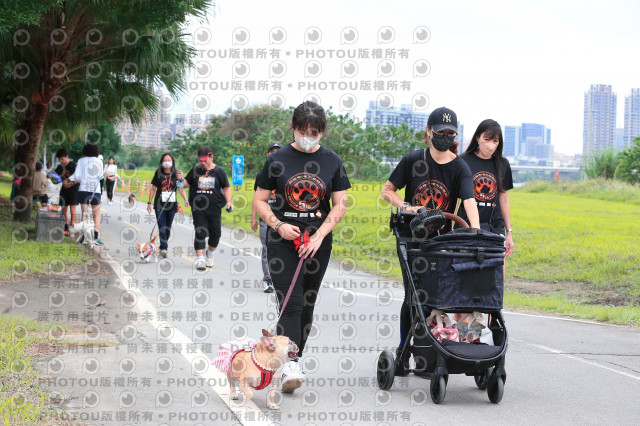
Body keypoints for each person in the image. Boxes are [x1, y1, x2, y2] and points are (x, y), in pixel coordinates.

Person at [253, 101, 351, 394]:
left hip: (317, 244)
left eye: (315, 133)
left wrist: (319, 236)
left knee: (307, 305)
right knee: (291, 302)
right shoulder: (277, 159)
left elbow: (340, 205)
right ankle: (290, 364)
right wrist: (278, 225)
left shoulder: (332, 161)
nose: (309, 137)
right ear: (293, 128)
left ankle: (294, 356)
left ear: (322, 132)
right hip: (283, 243)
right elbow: (259, 200)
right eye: (303, 131)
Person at [380, 106, 480, 375]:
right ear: (429, 131)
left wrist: (475, 232)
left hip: (441, 241)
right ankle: (403, 352)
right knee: (413, 296)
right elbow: (387, 191)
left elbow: (469, 201)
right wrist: (405, 205)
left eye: (450, 133)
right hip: (410, 238)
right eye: (440, 132)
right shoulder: (414, 160)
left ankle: (432, 351)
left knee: (438, 296)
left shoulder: (460, 167)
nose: (445, 137)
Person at [457, 119, 514, 255]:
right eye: (487, 139)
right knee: (464, 264)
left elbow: (504, 200)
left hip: (495, 226)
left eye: (495, 141)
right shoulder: (463, 161)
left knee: (496, 264)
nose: (491, 145)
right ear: (478, 138)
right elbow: (456, 198)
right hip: (465, 224)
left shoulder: (503, 164)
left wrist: (509, 232)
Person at [179, 146, 233, 271]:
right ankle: (200, 259)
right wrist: (180, 179)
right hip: (198, 209)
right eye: (200, 161)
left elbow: (226, 188)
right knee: (200, 232)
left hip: (215, 208)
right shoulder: (195, 171)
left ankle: (209, 254)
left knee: (216, 234)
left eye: (204, 160)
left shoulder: (219, 171)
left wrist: (229, 202)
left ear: (211, 157)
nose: (202, 163)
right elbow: (184, 185)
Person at [251, 142, 282, 293]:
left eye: (278, 151)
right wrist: (253, 218)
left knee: (283, 250)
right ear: (267, 154)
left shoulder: (287, 173)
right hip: (264, 218)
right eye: (272, 151)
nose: (275, 154)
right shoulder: (261, 175)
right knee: (267, 249)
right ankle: (268, 280)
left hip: (283, 219)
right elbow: (256, 199)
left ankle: (281, 279)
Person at [147, 153, 189, 258]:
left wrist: (185, 199)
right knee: (162, 225)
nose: (167, 162)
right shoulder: (158, 173)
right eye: (165, 160)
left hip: (171, 205)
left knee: (167, 227)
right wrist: (149, 202)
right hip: (159, 204)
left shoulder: (176, 174)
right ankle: (164, 248)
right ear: (162, 162)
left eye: (169, 160)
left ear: (172, 162)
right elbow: (153, 188)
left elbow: (180, 188)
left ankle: (162, 246)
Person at [71, 143, 105, 246]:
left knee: (84, 213)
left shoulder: (81, 161)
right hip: (95, 190)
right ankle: (95, 237)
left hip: (83, 189)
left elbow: (77, 176)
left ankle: (84, 238)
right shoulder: (99, 161)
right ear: (96, 151)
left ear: (85, 150)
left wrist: (84, 179)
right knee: (96, 214)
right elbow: (101, 176)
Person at [55, 148, 80, 236]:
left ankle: (72, 229)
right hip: (64, 190)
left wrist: (70, 183)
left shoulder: (74, 166)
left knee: (73, 209)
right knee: (63, 209)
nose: (61, 161)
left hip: (74, 190)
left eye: (62, 159)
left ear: (66, 157)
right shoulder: (59, 167)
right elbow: (56, 180)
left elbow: (78, 178)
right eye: (59, 159)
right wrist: (51, 177)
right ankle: (65, 228)